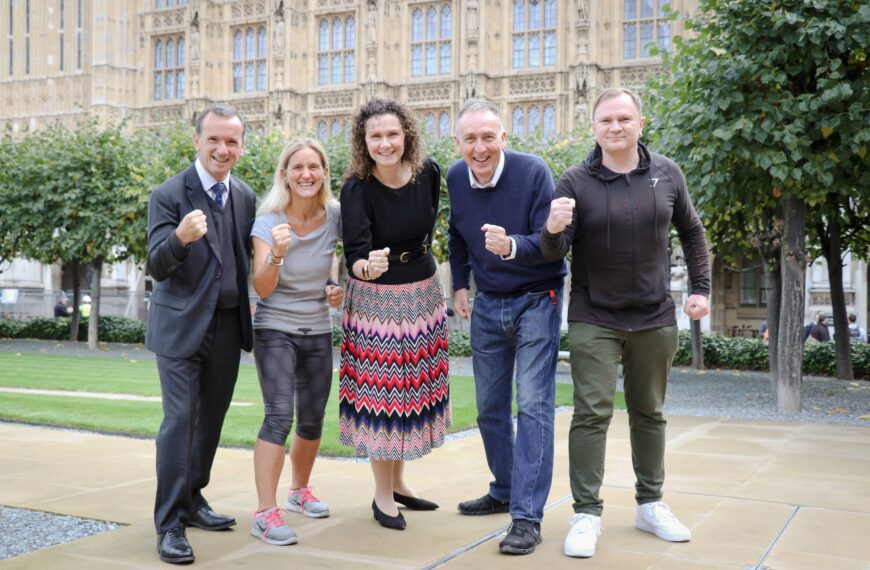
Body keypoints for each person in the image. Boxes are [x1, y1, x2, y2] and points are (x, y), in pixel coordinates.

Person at [540, 87, 710, 558]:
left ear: (640, 122)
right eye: (605, 121)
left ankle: (650, 504)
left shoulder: (667, 173)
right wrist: (552, 228)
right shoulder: (574, 180)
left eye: (623, 119)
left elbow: (692, 231)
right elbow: (554, 250)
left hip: (655, 314)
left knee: (649, 412)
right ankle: (586, 513)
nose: (615, 128)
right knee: (592, 412)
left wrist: (700, 289)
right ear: (594, 128)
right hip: (595, 313)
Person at [447, 98, 565, 556]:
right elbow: (457, 234)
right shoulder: (457, 178)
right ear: (458, 143)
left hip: (538, 298)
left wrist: (512, 247)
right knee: (489, 408)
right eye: (470, 139)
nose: (480, 148)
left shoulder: (534, 172)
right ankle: (505, 489)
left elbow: (553, 244)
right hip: (488, 302)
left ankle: (526, 517)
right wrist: (460, 283)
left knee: (533, 405)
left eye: (488, 137)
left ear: (504, 138)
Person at [146, 103, 256, 565]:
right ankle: (170, 523)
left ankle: (193, 498)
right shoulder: (169, 195)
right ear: (196, 141)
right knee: (180, 421)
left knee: (210, 420)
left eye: (231, 141)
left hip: (229, 325)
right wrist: (180, 240)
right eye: (213, 139)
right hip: (180, 328)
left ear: (241, 146)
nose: (222, 148)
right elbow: (156, 264)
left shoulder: (246, 196)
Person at [339, 97, 450, 531]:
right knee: (382, 399)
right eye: (375, 136)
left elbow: (428, 230)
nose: (385, 144)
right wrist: (368, 267)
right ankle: (382, 496)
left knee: (412, 394)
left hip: (423, 293)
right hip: (376, 301)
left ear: (407, 135)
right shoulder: (356, 188)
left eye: (392, 134)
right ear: (363, 142)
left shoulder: (429, 173)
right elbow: (354, 255)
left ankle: (401, 483)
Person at [248, 138, 343, 545]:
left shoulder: (336, 215)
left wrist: (334, 283)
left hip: (318, 327)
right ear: (284, 174)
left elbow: (335, 257)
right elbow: (263, 287)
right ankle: (265, 513)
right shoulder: (268, 222)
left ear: (324, 173)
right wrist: (278, 255)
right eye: (297, 167)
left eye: (314, 167)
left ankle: (298, 492)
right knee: (279, 415)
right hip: (275, 328)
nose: (306, 174)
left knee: (312, 418)